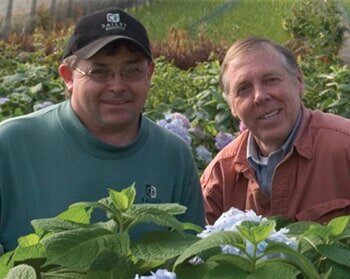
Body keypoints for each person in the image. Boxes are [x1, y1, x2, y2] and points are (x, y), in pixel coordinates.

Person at [0, 7, 205, 252]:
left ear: (149, 74)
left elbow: (192, 260)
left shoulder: (173, 155)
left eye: (131, 71)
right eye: (99, 72)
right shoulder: (11, 146)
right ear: (68, 77)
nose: (117, 85)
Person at [201, 36, 350, 225]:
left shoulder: (345, 147)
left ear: (298, 80)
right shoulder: (219, 178)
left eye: (271, 80)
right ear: (231, 106)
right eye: (243, 89)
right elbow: (196, 249)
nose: (260, 96)